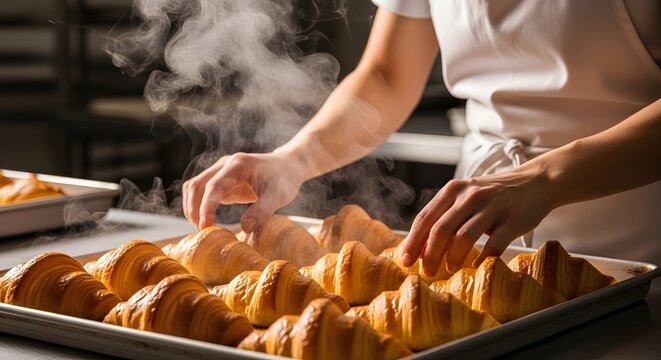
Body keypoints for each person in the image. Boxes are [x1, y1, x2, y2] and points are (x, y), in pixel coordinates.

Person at [182, 0, 661, 280]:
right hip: (472, 232)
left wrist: (545, 177)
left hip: (636, 227)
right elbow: (388, 75)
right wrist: (293, 159)